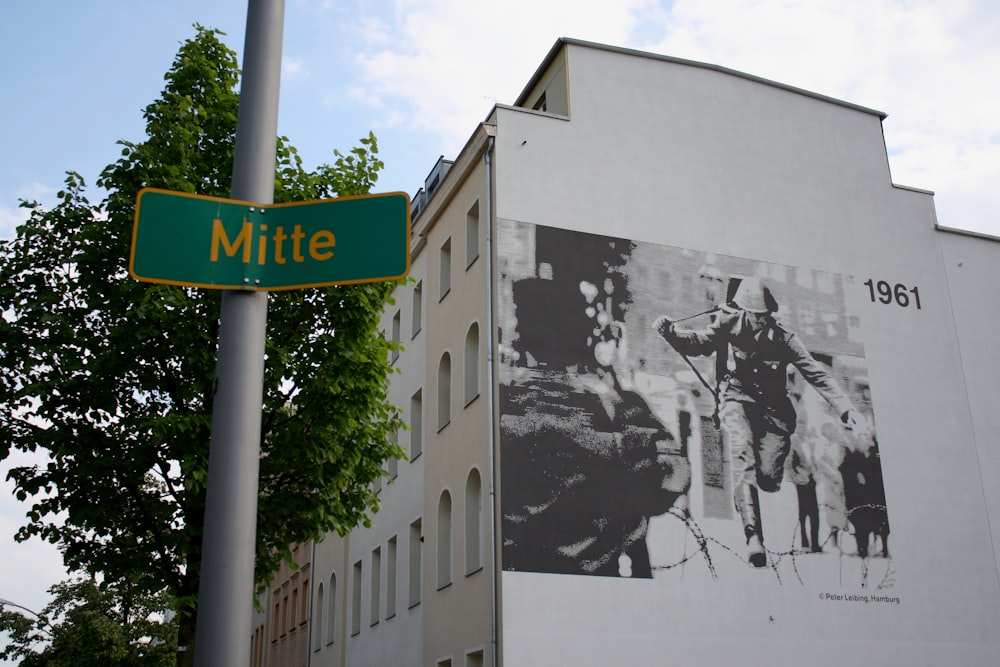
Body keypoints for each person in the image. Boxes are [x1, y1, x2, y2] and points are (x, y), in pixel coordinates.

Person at [653, 277, 866, 567]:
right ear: (742, 310)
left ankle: (765, 484)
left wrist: (846, 409)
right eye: (753, 315)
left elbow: (816, 374)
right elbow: (701, 342)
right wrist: (672, 332)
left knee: (767, 478)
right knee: (742, 458)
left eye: (763, 316)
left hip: (774, 412)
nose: (758, 321)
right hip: (736, 400)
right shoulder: (728, 322)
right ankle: (754, 537)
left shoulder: (784, 337)